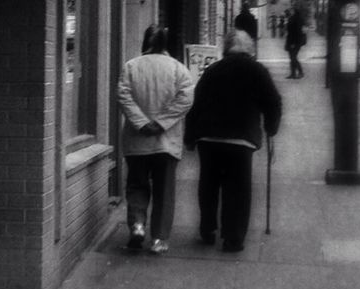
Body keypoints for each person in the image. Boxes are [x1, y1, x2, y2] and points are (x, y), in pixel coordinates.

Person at [184, 29, 282, 253]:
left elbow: (196, 105)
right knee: (237, 189)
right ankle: (233, 237)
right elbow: (273, 102)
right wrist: (271, 128)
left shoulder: (213, 70)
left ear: (227, 48)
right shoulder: (257, 70)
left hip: (209, 138)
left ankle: (208, 229)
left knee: (208, 185)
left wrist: (190, 137)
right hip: (241, 140)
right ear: (250, 48)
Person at [116, 24, 195, 255]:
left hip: (137, 142)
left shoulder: (131, 67)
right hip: (166, 143)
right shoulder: (179, 69)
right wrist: (161, 123)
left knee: (137, 186)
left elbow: (123, 95)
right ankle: (159, 238)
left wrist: (141, 122)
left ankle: (138, 224)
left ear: (145, 42)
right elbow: (185, 100)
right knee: (164, 192)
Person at [284, 3, 307, 78]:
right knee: (292, 57)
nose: (290, 11)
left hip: (295, 41)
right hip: (293, 40)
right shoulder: (293, 18)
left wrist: (293, 43)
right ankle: (293, 73)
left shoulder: (296, 19)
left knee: (293, 57)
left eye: (292, 10)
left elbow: (297, 31)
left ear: (294, 10)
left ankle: (300, 72)